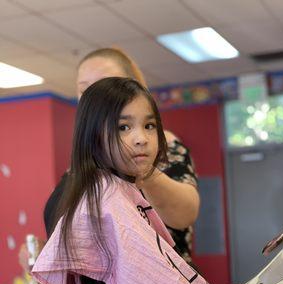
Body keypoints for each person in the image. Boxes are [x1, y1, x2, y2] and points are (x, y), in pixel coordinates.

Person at [0, 78, 236, 284]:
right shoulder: (105, 199)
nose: (141, 138)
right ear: (94, 134)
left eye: (149, 126)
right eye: (124, 127)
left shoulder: (111, 189)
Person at [18, 48, 199, 270]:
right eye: (86, 90)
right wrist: (47, 255)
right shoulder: (81, 163)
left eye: (107, 85)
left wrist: (142, 167)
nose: (97, 98)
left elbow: (184, 214)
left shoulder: (162, 147)